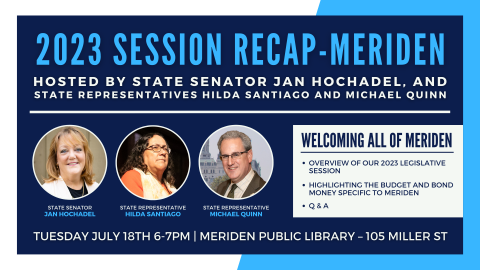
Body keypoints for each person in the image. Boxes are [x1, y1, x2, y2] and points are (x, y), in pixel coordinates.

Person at [42, 127, 98, 199]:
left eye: (78, 149)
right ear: (56, 159)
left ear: (85, 156)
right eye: (64, 151)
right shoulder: (47, 190)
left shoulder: (96, 187)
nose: (72, 156)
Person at [120, 133, 177, 199]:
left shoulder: (170, 187)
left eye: (165, 149)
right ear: (140, 155)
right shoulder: (132, 177)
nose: (163, 152)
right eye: (155, 147)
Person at [216, 130, 265, 199]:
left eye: (236, 155)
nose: (230, 163)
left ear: (249, 156)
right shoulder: (221, 188)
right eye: (225, 156)